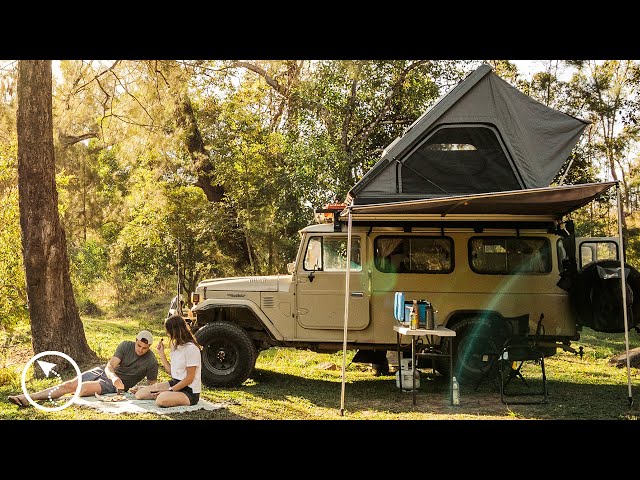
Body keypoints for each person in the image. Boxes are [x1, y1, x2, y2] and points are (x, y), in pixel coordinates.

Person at [7, 330, 158, 408]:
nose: (141, 349)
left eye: (145, 348)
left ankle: (54, 394)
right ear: (135, 341)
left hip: (113, 386)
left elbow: (152, 386)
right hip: (106, 373)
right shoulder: (126, 345)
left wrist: (139, 388)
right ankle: (27, 398)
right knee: (68, 385)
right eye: (139, 345)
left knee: (81, 389)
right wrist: (114, 377)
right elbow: (110, 366)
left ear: (149, 347)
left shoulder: (151, 361)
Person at [134, 314, 202, 407]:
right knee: (140, 394)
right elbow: (171, 372)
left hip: (189, 390)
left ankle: (165, 395)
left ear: (174, 331)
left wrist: (170, 390)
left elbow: (189, 378)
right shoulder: (174, 346)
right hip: (175, 383)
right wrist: (161, 354)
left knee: (161, 400)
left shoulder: (191, 349)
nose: (167, 333)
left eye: (168, 331)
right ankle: (162, 393)